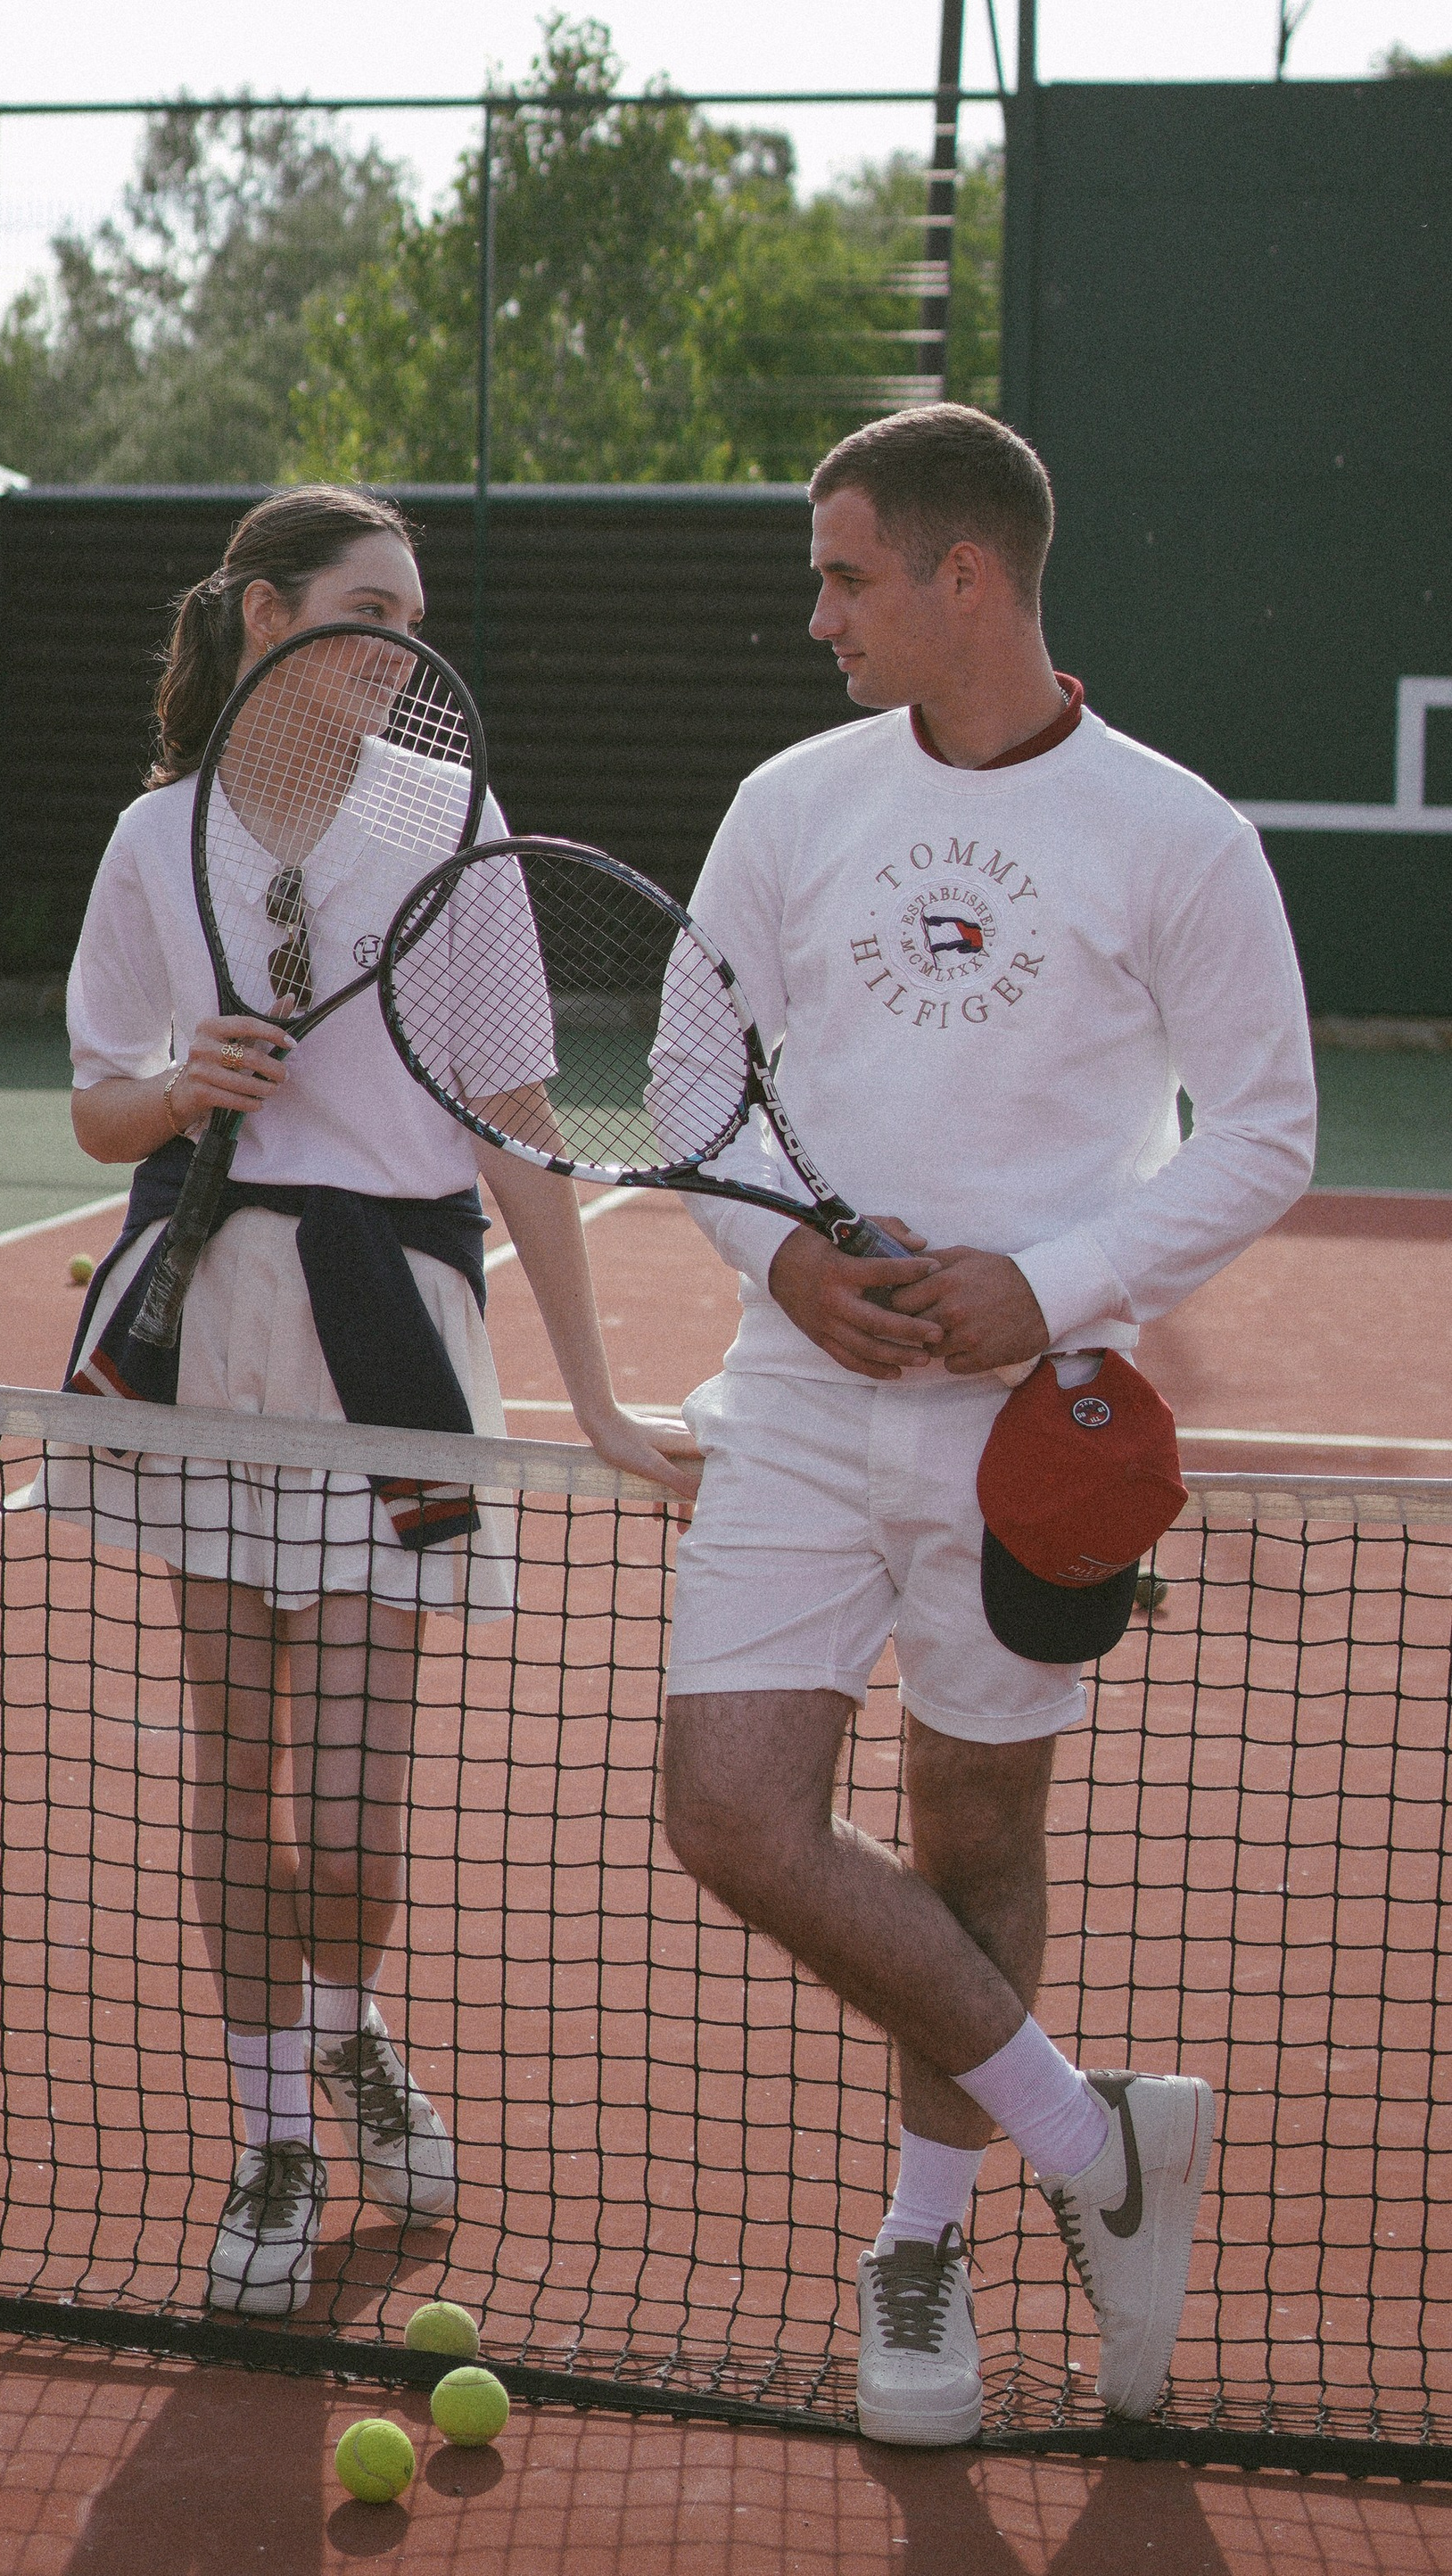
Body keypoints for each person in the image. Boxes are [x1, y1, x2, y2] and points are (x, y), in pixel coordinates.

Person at [655, 405, 1315, 2446]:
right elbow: (685, 1087)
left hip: (1029, 1427)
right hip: (792, 1394)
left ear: (964, 576)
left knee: (975, 1837)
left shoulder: (1173, 833)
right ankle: (1090, 2142)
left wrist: (1051, 1283)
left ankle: (921, 2243)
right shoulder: (787, 802)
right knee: (725, 1812)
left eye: (844, 575)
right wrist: (782, 1263)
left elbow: (1266, 1131)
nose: (818, 616)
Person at [56, 484, 689, 2320]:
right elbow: (96, 1106)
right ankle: (274, 2133)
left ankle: (343, 2028)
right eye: (370, 610)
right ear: (267, 617)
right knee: (234, 1764)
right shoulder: (152, 838)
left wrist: (593, 1396)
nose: (406, 649)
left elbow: (517, 1121)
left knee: (346, 1815)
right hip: (202, 1328)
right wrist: (182, 1086)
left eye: (417, 619)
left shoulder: (448, 824)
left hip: (392, 1336)